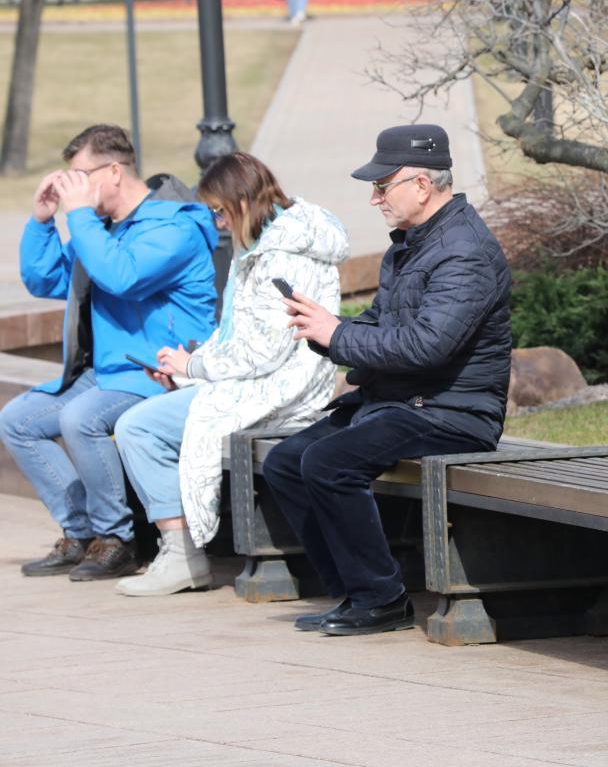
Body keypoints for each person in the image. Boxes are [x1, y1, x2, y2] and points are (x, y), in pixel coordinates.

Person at [261, 124, 512, 636]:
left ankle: (381, 599)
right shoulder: (413, 244)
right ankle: (356, 590)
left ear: (422, 185)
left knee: (328, 462)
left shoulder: (464, 251)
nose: (374, 198)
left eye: (382, 186)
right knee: (287, 461)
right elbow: (382, 323)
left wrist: (338, 337)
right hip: (406, 402)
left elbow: (426, 346)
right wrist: (322, 328)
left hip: (454, 412)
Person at [112, 153, 350, 596]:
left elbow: (263, 351)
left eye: (220, 211)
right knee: (148, 417)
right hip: (263, 382)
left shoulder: (280, 257)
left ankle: (182, 555)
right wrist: (188, 375)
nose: (218, 223)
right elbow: (240, 337)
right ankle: (182, 552)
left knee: (137, 427)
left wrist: (193, 366)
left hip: (280, 391)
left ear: (243, 201)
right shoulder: (264, 246)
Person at [0, 124, 218, 581]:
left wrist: (77, 217)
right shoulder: (99, 229)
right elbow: (47, 281)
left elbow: (122, 277)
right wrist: (42, 220)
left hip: (158, 371)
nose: (71, 187)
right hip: (106, 372)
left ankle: (117, 540)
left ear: (114, 171)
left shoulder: (173, 225)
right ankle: (81, 534)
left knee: (79, 418)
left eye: (80, 175)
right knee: (16, 420)